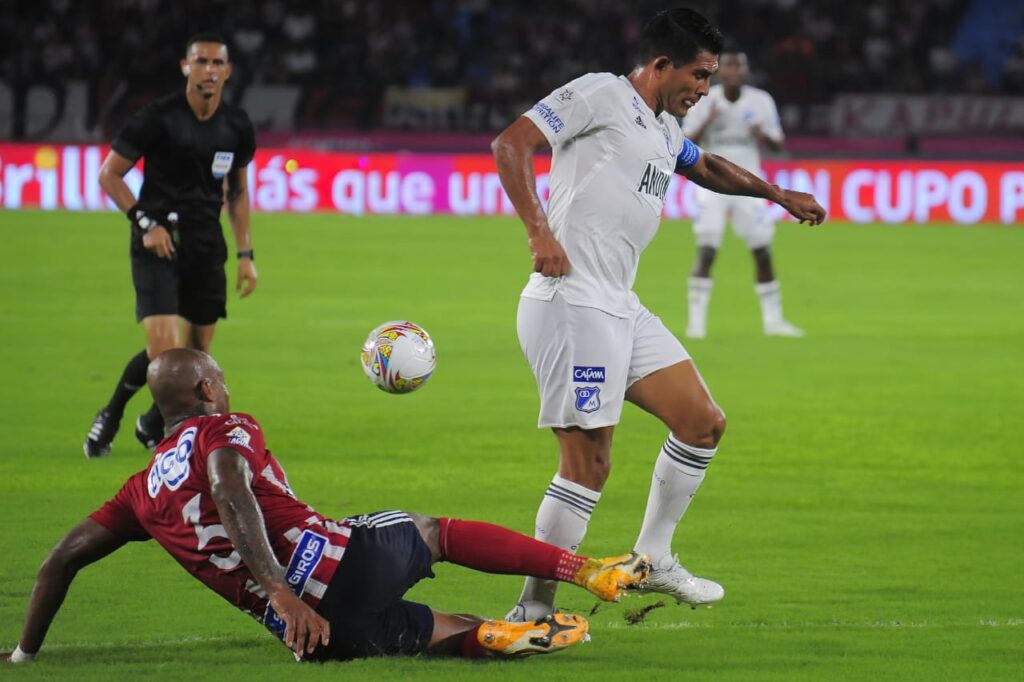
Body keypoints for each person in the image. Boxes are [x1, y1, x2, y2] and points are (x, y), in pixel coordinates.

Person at [491, 8, 825, 622]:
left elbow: (708, 167)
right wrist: (539, 232)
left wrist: (777, 194)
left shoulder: (665, 128)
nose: (704, 89)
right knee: (588, 465)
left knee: (702, 422)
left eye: (710, 77)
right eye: (698, 75)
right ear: (662, 65)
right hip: (572, 302)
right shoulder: (600, 94)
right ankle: (532, 612)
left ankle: (652, 558)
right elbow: (511, 143)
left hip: (620, 304)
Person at [5, 349, 650, 665]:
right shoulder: (225, 428)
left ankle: (492, 634)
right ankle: (586, 570)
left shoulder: (140, 488)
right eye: (219, 377)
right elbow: (229, 489)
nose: (225, 385)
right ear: (205, 387)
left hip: (312, 636)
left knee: (422, 629)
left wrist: (23, 656)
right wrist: (281, 589)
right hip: (334, 568)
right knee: (435, 531)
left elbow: (60, 561)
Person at [84, 33, 258, 458]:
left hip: (205, 242)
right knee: (164, 352)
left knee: (198, 357)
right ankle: (111, 414)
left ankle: (150, 421)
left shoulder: (236, 126)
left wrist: (246, 255)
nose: (209, 70)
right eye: (201, 61)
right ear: (186, 67)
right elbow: (109, 174)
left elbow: (237, 191)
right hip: (156, 240)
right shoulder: (157, 117)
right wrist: (145, 222)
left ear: (228, 71)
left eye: (217, 63)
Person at [681, 49, 802, 338]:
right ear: (720, 71)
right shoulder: (705, 98)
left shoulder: (761, 101)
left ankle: (774, 322)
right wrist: (708, 120)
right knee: (707, 250)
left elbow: (778, 144)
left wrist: (762, 132)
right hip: (711, 185)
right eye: (729, 66)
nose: (733, 72)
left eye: (738, 66)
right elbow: (683, 143)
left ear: (745, 71)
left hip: (750, 186)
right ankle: (696, 325)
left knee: (762, 251)